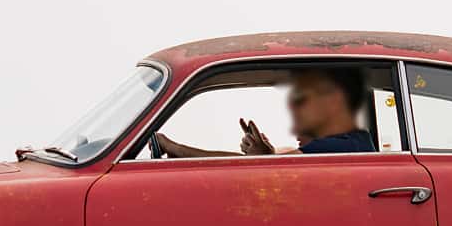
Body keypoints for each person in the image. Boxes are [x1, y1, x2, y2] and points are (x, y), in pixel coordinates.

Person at [152, 68, 376, 158]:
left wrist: (176, 148)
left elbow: (242, 167)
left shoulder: (342, 146)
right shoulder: (351, 142)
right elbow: (284, 155)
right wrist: (267, 154)